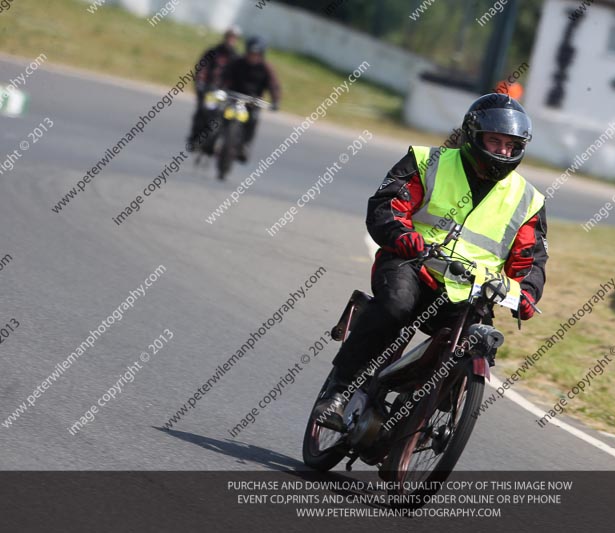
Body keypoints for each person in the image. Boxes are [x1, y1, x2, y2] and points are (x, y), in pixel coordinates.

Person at [314, 94, 548, 429]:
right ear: (473, 135)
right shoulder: (427, 161)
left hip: (469, 291)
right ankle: (337, 392)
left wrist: (526, 293)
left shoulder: (529, 200)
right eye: (494, 141)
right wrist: (400, 235)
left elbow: (532, 260)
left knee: (476, 347)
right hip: (411, 265)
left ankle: (412, 429)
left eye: (511, 145)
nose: (502, 151)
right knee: (395, 307)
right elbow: (387, 205)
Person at [221, 36, 281, 162]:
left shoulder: (266, 69)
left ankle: (244, 146)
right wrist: (219, 87)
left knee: (253, 119)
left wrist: (275, 101)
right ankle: (211, 138)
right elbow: (224, 76)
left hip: (252, 103)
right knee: (218, 112)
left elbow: (273, 86)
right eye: (251, 53)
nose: (253, 56)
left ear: (261, 55)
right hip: (233, 97)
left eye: (256, 54)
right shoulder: (237, 62)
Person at [187, 26, 242, 151]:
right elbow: (202, 68)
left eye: (234, 38)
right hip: (210, 89)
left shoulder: (237, 58)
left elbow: (240, 77)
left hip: (228, 92)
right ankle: (195, 138)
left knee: (234, 116)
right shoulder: (213, 52)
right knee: (203, 110)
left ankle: (230, 145)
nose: (231, 40)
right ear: (225, 37)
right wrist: (201, 82)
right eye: (229, 37)